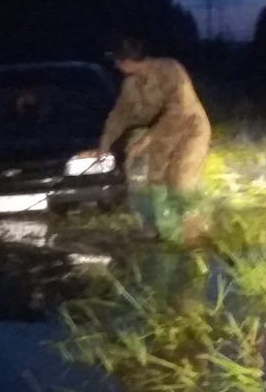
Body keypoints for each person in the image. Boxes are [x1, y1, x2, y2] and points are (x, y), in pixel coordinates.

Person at [78, 37, 212, 245]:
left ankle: (197, 229)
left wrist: (146, 140)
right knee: (157, 182)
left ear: (127, 61)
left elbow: (178, 110)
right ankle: (169, 233)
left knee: (181, 179)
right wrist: (104, 147)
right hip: (161, 137)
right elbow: (119, 115)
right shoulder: (130, 84)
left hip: (190, 129)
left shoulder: (170, 69)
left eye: (117, 60)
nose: (116, 65)